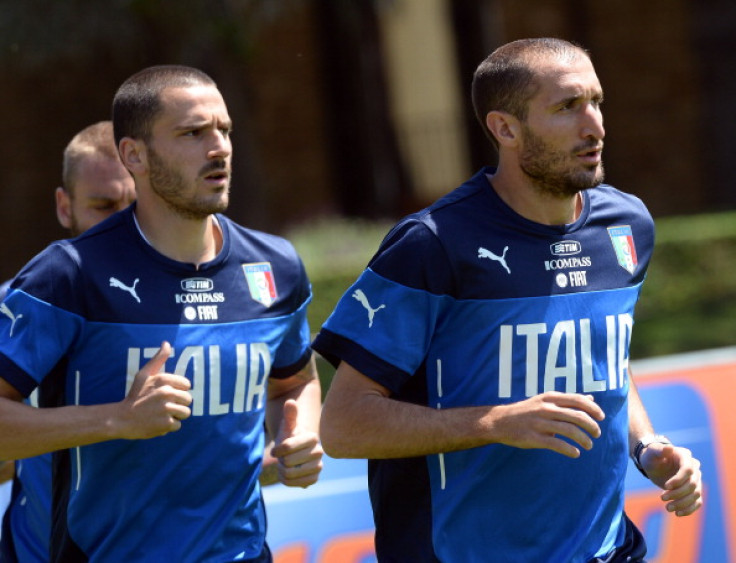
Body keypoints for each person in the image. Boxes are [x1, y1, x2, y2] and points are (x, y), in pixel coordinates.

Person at [312, 38, 702, 562]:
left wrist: (647, 446)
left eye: (596, 102)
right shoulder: (433, 245)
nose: (596, 127)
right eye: (567, 107)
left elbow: (605, 362)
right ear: (505, 129)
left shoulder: (627, 225)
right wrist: (494, 422)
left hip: (607, 550)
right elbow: (344, 426)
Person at [0, 65, 323, 562]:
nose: (219, 148)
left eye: (224, 130)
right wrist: (118, 420)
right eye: (193, 133)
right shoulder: (67, 275)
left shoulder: (274, 266)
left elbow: (293, 382)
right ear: (135, 155)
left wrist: (298, 434)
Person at [0, 120, 136, 563]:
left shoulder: (201, 306)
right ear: (64, 207)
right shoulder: (11, 308)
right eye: (104, 205)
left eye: (135, 205)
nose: (122, 224)